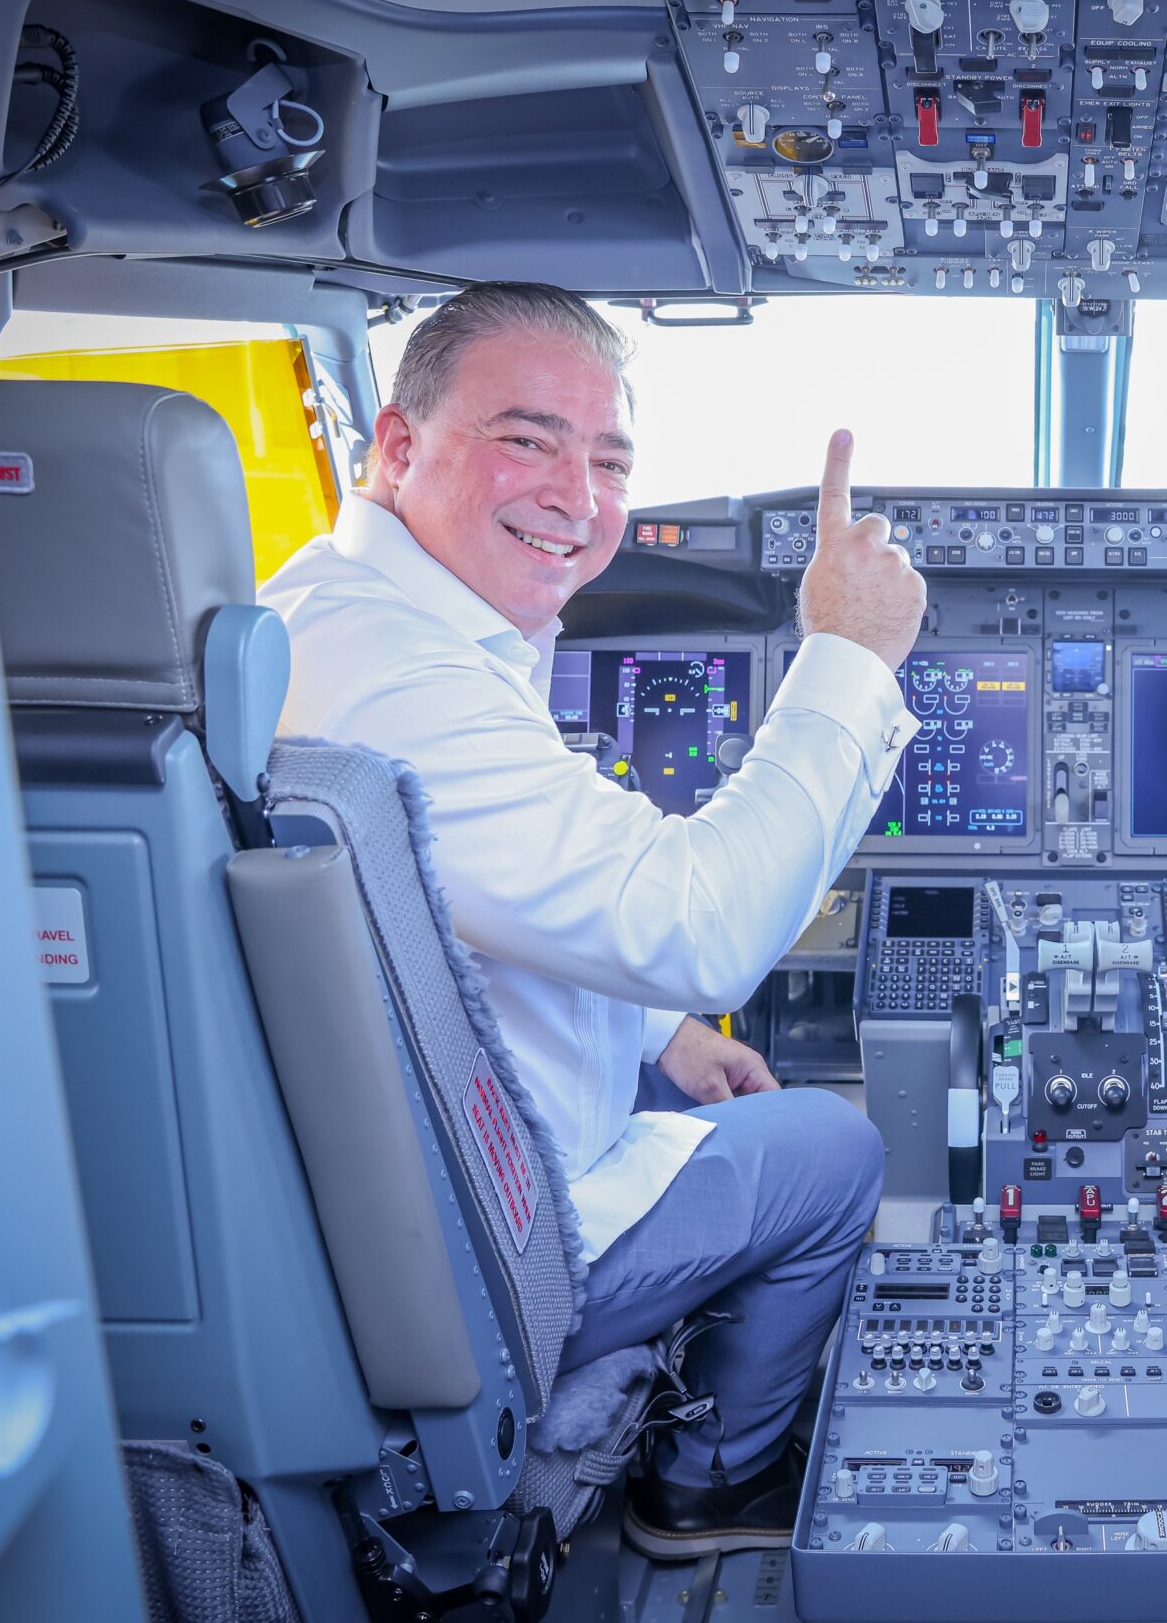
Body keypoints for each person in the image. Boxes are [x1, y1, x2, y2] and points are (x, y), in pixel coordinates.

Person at [259, 282, 927, 1555]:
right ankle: (706, 1485)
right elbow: (700, 924)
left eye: (609, 460)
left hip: (397, 1187)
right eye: (526, 439)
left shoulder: (331, 613)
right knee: (834, 1148)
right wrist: (846, 656)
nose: (576, 495)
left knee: (709, 1077)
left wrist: (659, 1031)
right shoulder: (400, 681)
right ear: (395, 444)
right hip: (487, 1252)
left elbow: (474, 915)